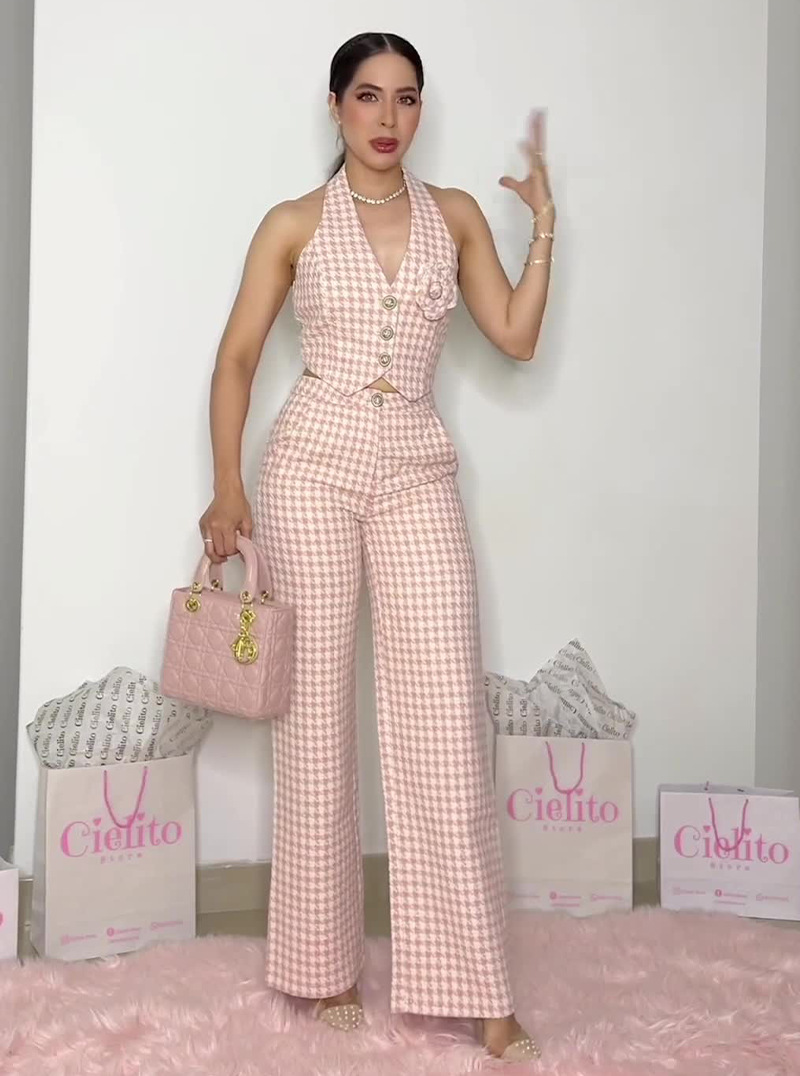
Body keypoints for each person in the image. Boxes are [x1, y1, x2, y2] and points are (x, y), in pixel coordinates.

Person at [198, 31, 554, 1064]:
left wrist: (544, 229)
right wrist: (228, 487)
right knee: (314, 720)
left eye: (405, 98)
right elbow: (237, 358)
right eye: (367, 96)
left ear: (420, 110)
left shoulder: (455, 215)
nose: (387, 117)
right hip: (309, 465)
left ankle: (479, 990)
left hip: (415, 471)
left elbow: (515, 335)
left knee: (444, 724)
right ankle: (326, 968)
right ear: (335, 106)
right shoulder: (294, 223)